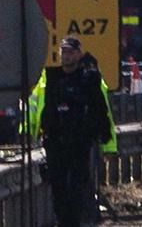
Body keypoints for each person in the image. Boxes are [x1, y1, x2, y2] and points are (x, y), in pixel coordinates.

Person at [28, 37, 114, 226]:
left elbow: (100, 111)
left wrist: (106, 141)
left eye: (70, 52)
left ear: (78, 54)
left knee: (77, 186)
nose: (65, 56)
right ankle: (64, 222)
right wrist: (29, 133)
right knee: (58, 187)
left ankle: (73, 222)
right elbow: (37, 107)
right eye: (63, 51)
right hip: (55, 142)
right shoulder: (50, 78)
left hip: (79, 143)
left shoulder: (88, 79)